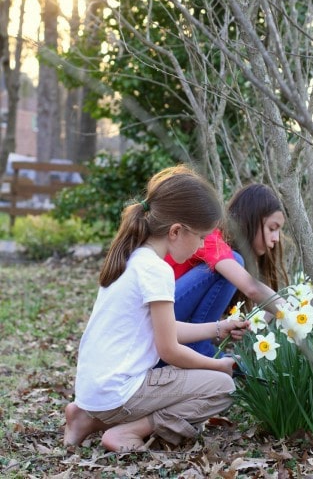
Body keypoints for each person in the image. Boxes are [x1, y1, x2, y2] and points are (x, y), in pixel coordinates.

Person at [64, 165, 249, 453]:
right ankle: (127, 431)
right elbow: (169, 350)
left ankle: (86, 419)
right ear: (176, 231)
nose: (202, 245)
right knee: (222, 387)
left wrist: (217, 329)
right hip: (120, 393)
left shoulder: (133, 258)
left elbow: (162, 328)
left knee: (210, 379)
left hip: (97, 390)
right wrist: (219, 365)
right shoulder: (156, 271)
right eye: (201, 236)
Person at [165, 183, 288, 357]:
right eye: (272, 229)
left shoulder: (223, 252)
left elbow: (200, 322)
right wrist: (293, 314)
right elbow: (252, 289)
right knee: (235, 261)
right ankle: (201, 352)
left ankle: (203, 352)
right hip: (155, 319)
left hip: (169, 327)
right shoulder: (210, 239)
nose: (276, 239)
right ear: (252, 220)